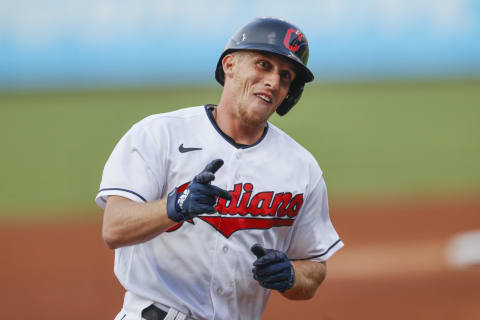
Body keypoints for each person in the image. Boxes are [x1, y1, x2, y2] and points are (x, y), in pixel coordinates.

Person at [96, 17, 343, 320]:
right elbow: (114, 228)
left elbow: (314, 270)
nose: (273, 81)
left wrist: (291, 275)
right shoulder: (160, 134)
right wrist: (175, 206)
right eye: (263, 64)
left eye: (286, 76)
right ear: (230, 65)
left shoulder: (301, 168)